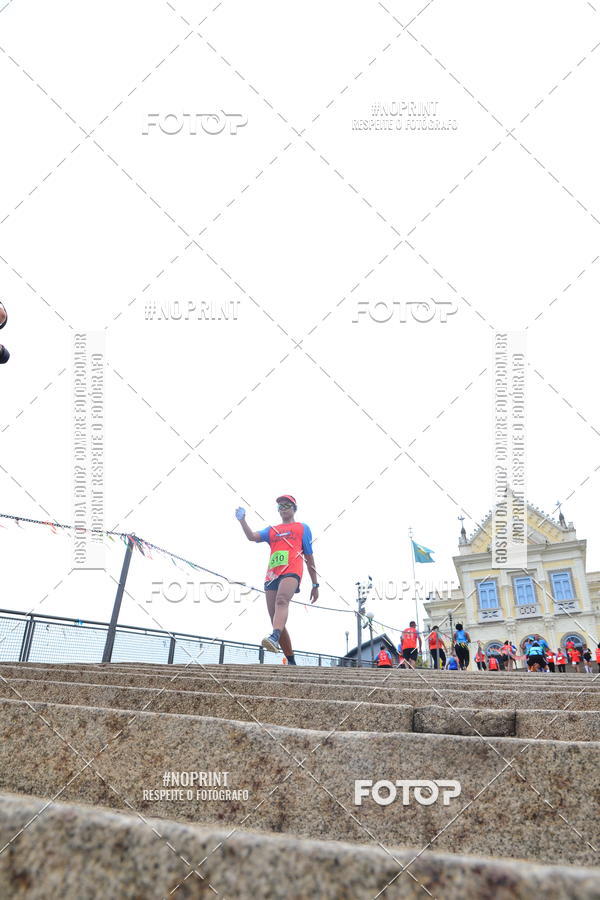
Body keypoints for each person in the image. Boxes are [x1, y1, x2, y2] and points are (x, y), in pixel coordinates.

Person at [236, 494, 318, 665]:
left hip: (292, 571)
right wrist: (242, 520)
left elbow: (309, 557)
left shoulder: (302, 528)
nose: (283, 508)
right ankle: (291, 660)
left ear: (294, 508)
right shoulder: (272, 530)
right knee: (275, 618)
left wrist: (315, 583)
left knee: (282, 601)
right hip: (272, 575)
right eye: (279, 506)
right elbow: (252, 537)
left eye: (287, 505)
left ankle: (273, 637)